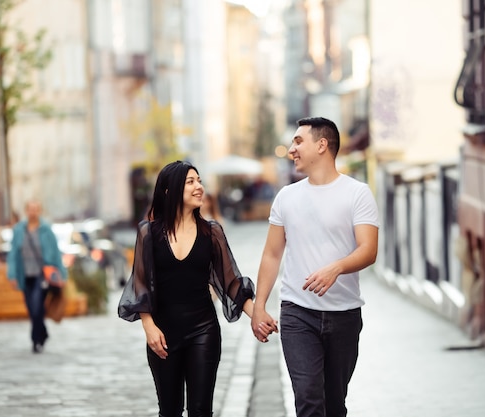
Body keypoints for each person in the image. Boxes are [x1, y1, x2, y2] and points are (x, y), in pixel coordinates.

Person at [118, 160, 276, 417]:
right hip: (163, 333)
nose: (199, 187)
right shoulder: (148, 233)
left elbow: (231, 283)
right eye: (190, 182)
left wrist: (256, 313)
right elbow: (141, 283)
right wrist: (149, 326)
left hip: (203, 330)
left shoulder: (211, 232)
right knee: (169, 411)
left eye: (199, 181)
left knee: (201, 411)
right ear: (169, 190)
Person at [250, 117, 379, 417]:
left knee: (334, 405)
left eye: (298, 141)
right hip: (298, 313)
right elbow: (271, 254)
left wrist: (336, 268)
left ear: (322, 145)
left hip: (344, 314)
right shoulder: (286, 197)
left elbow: (369, 250)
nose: (292, 149)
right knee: (308, 400)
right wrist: (259, 305)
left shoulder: (357, 193)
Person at [6, 200, 67, 353]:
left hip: (43, 274)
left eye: (36, 209)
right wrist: (12, 274)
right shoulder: (19, 230)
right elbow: (13, 253)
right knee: (31, 307)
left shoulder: (46, 230)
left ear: (40, 211)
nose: (33, 212)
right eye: (30, 209)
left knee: (37, 304)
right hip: (24, 274)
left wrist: (62, 274)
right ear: (26, 211)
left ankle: (36, 340)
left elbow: (56, 253)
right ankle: (43, 332)